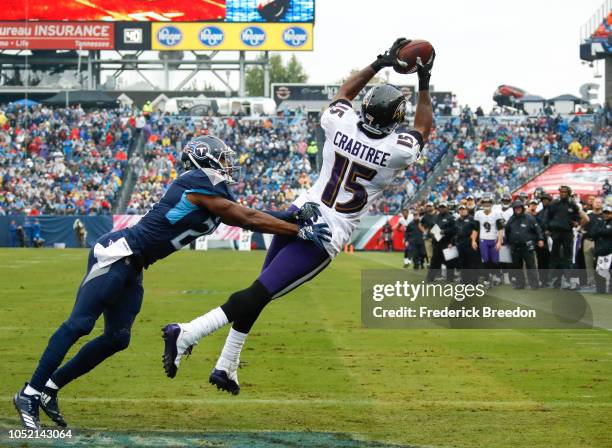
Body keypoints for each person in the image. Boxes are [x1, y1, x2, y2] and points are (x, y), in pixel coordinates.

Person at [162, 37, 436, 395]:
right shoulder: (397, 152)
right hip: (326, 231)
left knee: (259, 293)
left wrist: (379, 62)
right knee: (258, 292)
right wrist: (425, 80)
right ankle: (188, 332)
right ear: (393, 121)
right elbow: (423, 128)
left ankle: (226, 364)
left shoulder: (340, 125)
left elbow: (342, 96)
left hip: (299, 210)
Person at [13, 136, 331, 430]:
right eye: (222, 158)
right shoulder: (197, 181)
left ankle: (50, 389)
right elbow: (243, 216)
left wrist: (291, 216)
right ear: (204, 160)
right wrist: (297, 230)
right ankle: (29, 392)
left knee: (117, 338)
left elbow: (243, 212)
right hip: (117, 254)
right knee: (80, 324)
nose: (227, 164)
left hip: (135, 264)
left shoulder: (210, 191)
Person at [546, 186, 581, 288]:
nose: (563, 194)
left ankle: (567, 280)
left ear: (569, 193)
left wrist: (576, 222)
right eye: (561, 192)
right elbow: (548, 217)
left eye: (565, 192)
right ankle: (553, 279)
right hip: (555, 233)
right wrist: (547, 229)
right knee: (554, 256)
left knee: (567, 257)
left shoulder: (573, 205)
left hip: (567, 233)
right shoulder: (554, 204)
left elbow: (577, 217)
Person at [504, 201, 544, 289]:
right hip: (515, 247)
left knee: (531, 265)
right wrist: (507, 241)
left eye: (519, 208)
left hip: (528, 246)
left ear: (522, 208)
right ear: (514, 209)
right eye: (516, 208)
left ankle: (534, 284)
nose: (517, 209)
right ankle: (519, 284)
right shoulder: (511, 219)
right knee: (517, 266)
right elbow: (507, 231)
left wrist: (540, 239)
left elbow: (538, 229)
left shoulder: (530, 218)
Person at [474, 194, 504, 285]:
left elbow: (500, 229)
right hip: (483, 240)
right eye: (485, 203)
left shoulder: (496, 213)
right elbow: (475, 229)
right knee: (485, 260)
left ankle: (497, 276)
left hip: (494, 240)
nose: (486, 204)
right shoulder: (478, 213)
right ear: (482, 204)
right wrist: (473, 240)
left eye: (488, 203)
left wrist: (499, 242)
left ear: (491, 203)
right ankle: (487, 277)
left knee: (495, 261)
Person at [426, 202, 456, 282]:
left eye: (443, 207)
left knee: (450, 262)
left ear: (447, 208)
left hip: (448, 243)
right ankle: (430, 278)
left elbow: (454, 231)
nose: (442, 208)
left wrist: (444, 232)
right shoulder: (435, 217)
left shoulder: (452, 218)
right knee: (435, 262)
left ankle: (450, 279)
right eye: (440, 207)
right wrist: (432, 233)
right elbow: (431, 228)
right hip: (437, 243)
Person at [455, 204, 479, 284]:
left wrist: (473, 241)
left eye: (464, 209)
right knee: (462, 262)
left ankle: (474, 281)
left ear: (467, 210)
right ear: (459, 211)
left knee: (472, 263)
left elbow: (476, 230)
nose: (462, 210)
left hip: (469, 242)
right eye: (461, 209)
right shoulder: (457, 221)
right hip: (460, 243)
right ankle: (464, 280)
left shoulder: (471, 218)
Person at [584, 197, 605, 287]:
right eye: (596, 202)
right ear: (592, 203)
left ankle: (600, 281)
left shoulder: (605, 216)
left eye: (600, 202)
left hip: (600, 241)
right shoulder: (588, 216)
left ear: (602, 204)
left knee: (600, 262)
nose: (597, 204)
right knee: (588, 262)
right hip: (588, 240)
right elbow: (581, 226)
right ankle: (591, 281)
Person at [592, 205, 612, 293]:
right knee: (599, 271)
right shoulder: (599, 222)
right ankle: (600, 289)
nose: (606, 215)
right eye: (605, 213)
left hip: (610, 251)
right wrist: (601, 231)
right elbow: (593, 233)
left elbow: (608, 231)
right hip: (599, 250)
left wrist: (600, 231)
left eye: (608, 213)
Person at [535, 193, 552, 286]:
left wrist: (551, 231)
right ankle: (543, 280)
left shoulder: (555, 213)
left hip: (553, 240)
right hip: (542, 240)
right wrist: (540, 238)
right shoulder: (539, 214)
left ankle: (553, 279)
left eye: (546, 199)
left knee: (553, 260)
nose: (545, 201)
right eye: (543, 200)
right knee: (542, 261)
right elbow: (536, 227)